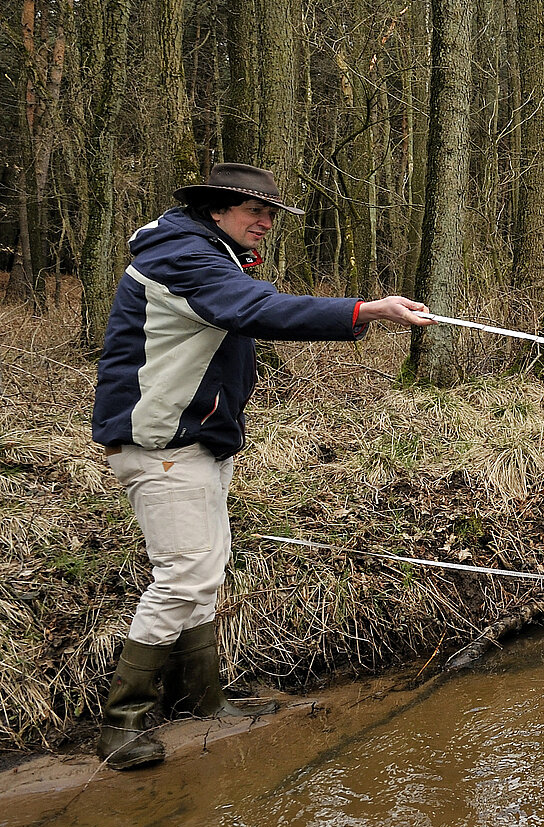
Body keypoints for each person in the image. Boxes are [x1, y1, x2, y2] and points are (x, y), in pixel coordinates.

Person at [91, 163, 432, 769]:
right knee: (185, 575)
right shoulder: (184, 259)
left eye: (271, 214)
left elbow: (253, 309)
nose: (266, 224)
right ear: (216, 211)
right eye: (255, 212)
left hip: (196, 440)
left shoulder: (209, 255)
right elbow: (258, 311)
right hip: (162, 443)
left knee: (206, 569)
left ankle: (203, 699)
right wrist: (369, 311)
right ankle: (122, 725)